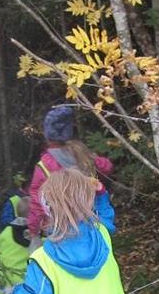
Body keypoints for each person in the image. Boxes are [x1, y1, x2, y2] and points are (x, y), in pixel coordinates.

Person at [26, 104, 115, 249]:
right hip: (91, 221)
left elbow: (37, 203)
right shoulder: (81, 154)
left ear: (48, 135)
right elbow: (107, 167)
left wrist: (33, 230)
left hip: (60, 228)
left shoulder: (44, 166)